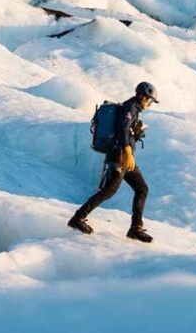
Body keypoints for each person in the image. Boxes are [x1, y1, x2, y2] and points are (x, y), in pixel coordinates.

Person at [68, 81, 158, 242]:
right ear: (142, 96)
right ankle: (78, 218)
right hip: (120, 156)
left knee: (142, 189)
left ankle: (135, 228)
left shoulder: (134, 109)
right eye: (150, 100)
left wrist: (135, 134)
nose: (150, 104)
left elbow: (126, 130)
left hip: (126, 158)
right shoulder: (129, 108)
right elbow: (121, 130)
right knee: (108, 191)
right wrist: (128, 150)